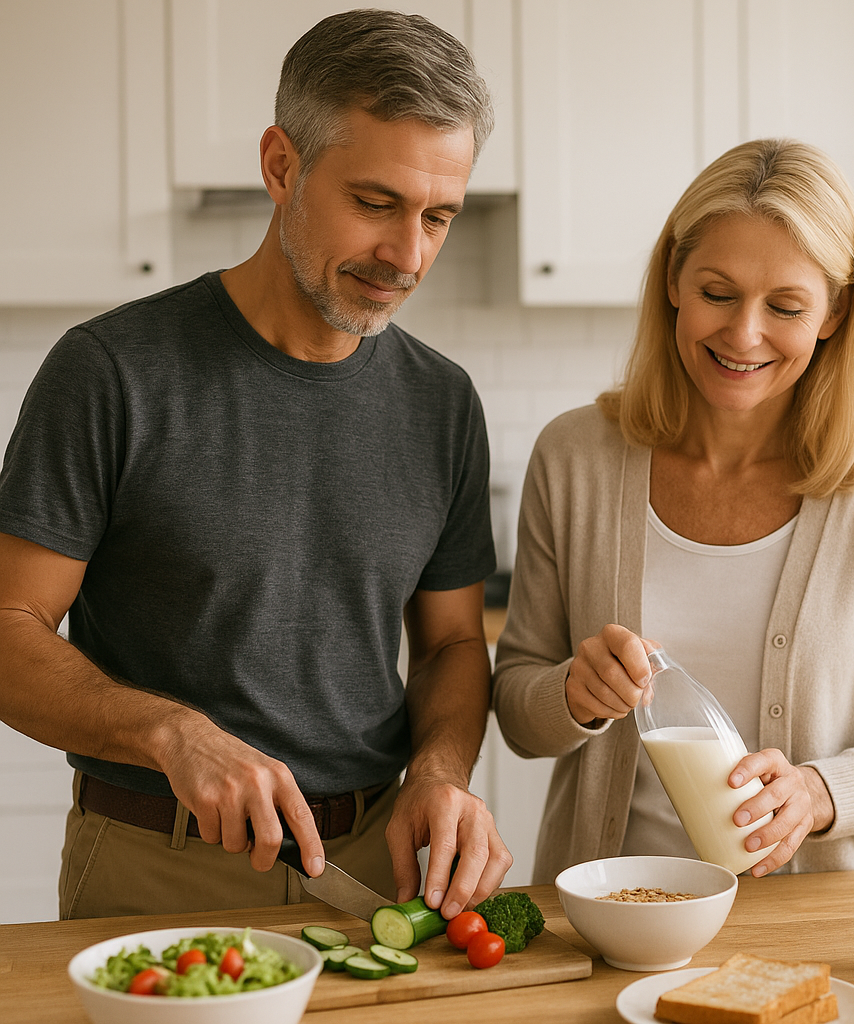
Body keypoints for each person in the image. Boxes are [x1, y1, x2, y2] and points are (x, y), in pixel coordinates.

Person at [0, 9, 512, 919]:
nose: (408, 256)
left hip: (377, 864)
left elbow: (452, 645)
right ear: (281, 165)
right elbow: (10, 627)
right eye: (375, 203)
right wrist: (171, 733)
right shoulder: (112, 371)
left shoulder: (443, 402)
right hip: (157, 865)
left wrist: (440, 772)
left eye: (438, 216)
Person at [492, 138, 854, 883]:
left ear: (833, 311)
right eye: (718, 293)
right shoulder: (575, 457)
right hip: (610, 909)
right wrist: (571, 694)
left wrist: (821, 792)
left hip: (809, 916)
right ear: (673, 279)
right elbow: (516, 703)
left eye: (785, 306)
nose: (744, 334)